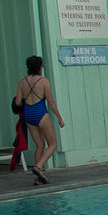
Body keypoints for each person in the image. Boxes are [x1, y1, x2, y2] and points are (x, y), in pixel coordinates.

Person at [13, 55, 65, 185]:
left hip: (28, 115)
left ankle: (38, 177)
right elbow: (51, 102)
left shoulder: (21, 82)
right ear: (39, 67)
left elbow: (18, 102)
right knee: (53, 144)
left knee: (39, 146)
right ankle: (39, 166)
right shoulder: (43, 81)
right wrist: (60, 118)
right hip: (40, 113)